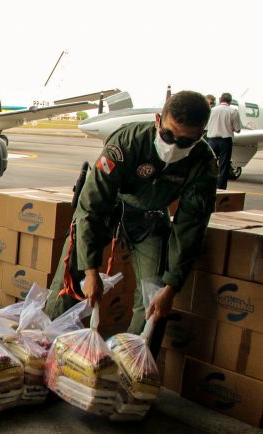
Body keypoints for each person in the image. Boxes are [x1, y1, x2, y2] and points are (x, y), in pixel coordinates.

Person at [45, 90, 218, 340]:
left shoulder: (203, 163)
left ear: (200, 136)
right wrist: (91, 271)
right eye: (167, 135)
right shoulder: (126, 143)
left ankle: (134, 366)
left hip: (149, 218)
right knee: (72, 277)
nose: (172, 146)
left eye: (184, 142)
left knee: (155, 294)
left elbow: (191, 227)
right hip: (110, 208)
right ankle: (46, 346)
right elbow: (92, 208)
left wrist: (172, 286)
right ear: (158, 120)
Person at [206, 92, 242, 189]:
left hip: (212, 141)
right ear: (230, 101)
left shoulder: (211, 111)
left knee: (209, 165)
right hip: (225, 142)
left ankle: (207, 186)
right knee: (223, 166)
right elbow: (238, 129)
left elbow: (206, 126)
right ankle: (221, 189)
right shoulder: (233, 112)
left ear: (220, 99)